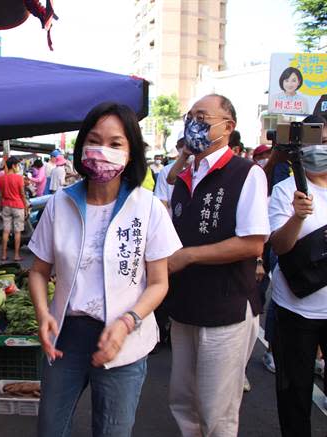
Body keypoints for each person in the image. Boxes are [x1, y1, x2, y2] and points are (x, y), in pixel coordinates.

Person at [28, 102, 182, 437]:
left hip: (124, 338)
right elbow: (39, 271)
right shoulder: (60, 203)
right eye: (95, 141)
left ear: (130, 153)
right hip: (66, 335)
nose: (102, 151)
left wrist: (129, 322)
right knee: (51, 428)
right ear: (82, 145)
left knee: (113, 430)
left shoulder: (149, 207)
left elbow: (158, 283)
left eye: (115, 144)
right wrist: (43, 313)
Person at [166, 94, 270, 437]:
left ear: (228, 127)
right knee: (183, 403)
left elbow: (253, 242)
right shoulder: (183, 175)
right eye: (190, 116)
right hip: (183, 307)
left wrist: (189, 256)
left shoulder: (246, 174)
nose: (193, 123)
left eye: (202, 116)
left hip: (224, 310)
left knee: (217, 412)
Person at [268, 118, 327, 436]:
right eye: (317, 139)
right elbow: (279, 244)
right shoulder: (284, 190)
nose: (321, 148)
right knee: (294, 394)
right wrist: (296, 216)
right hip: (295, 310)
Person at [0, 157, 29, 261]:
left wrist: (1, 206)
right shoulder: (19, 178)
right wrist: (26, 207)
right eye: (17, 165)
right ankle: (16, 255)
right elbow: (22, 194)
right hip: (18, 206)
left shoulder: (1, 178)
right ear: (14, 165)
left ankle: (3, 254)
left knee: (6, 231)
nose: (18, 167)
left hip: (6, 206)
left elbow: (0, 195)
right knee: (17, 232)